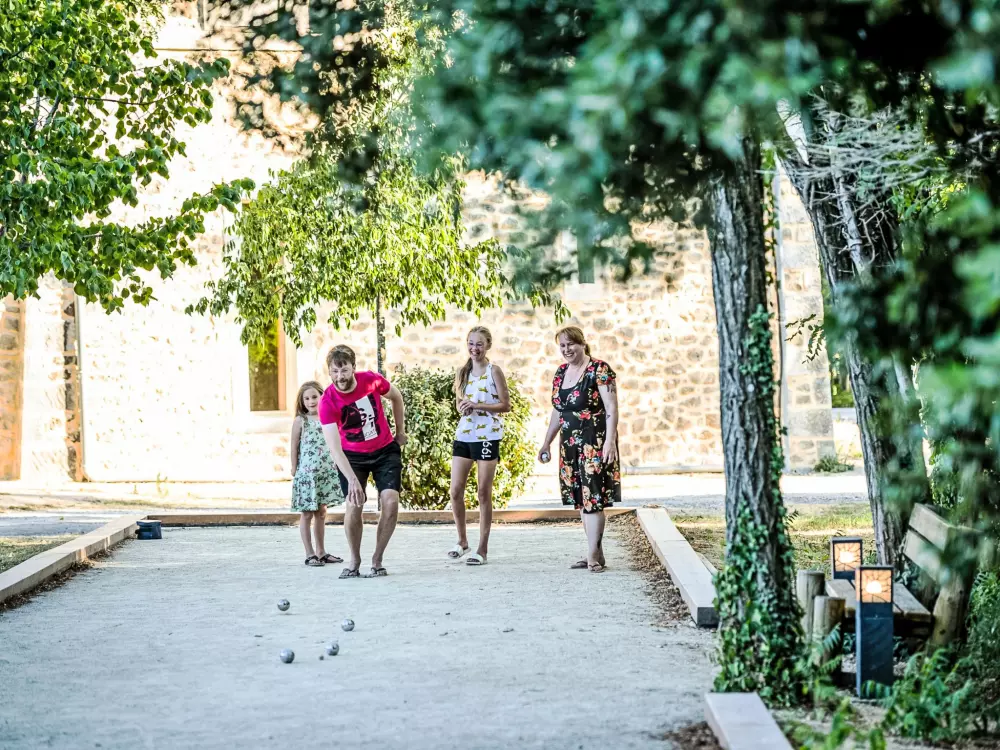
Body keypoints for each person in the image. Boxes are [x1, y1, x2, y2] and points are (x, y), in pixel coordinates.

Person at [319, 345, 407, 579]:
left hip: (384, 449)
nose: (340, 377)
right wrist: (352, 480)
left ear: (353, 368)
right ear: (329, 372)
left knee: (390, 501)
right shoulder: (327, 401)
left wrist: (401, 431)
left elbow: (396, 396)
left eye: (344, 370)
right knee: (354, 504)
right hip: (351, 457)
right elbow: (335, 449)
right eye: (334, 372)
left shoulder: (371, 381)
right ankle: (354, 560)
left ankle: (377, 559)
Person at [537, 326, 621, 572]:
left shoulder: (599, 369)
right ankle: (596, 553)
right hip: (569, 445)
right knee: (581, 499)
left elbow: (611, 408)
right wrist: (546, 442)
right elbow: (558, 410)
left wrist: (609, 442)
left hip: (594, 443)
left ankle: (592, 555)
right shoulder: (561, 372)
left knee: (593, 498)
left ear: (582, 344)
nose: (566, 350)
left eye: (570, 344)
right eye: (562, 346)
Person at [447, 326, 511, 566]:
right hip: (464, 435)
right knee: (455, 491)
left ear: (488, 346)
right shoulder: (462, 372)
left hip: (487, 435)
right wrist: (464, 407)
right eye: (471, 343)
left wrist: (479, 406)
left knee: (483, 492)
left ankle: (482, 548)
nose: (474, 348)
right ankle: (462, 541)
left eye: (479, 344)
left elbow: (505, 405)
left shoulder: (495, 371)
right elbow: (459, 404)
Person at [290, 381, 345, 567]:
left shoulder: (329, 418)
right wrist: (294, 467)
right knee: (307, 514)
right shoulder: (300, 421)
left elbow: (337, 443)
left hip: (325, 472)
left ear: (322, 396)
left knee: (321, 512)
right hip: (307, 473)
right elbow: (294, 445)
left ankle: (321, 552)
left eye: (314, 397)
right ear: (302, 401)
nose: (311, 401)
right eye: (307, 398)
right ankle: (309, 553)